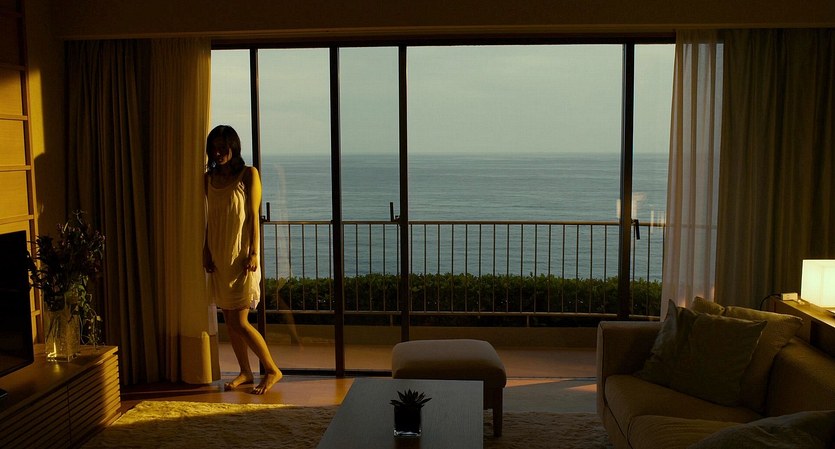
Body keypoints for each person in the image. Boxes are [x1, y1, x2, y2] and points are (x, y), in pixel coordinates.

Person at [203, 124, 282, 395]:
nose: (218, 152)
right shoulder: (208, 178)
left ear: (233, 147)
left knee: (240, 321)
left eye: (223, 147)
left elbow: (253, 217)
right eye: (214, 147)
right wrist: (205, 249)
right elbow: (210, 219)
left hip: (241, 256)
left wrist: (253, 253)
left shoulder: (248, 174)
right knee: (229, 319)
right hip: (218, 254)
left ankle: (272, 369)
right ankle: (245, 372)